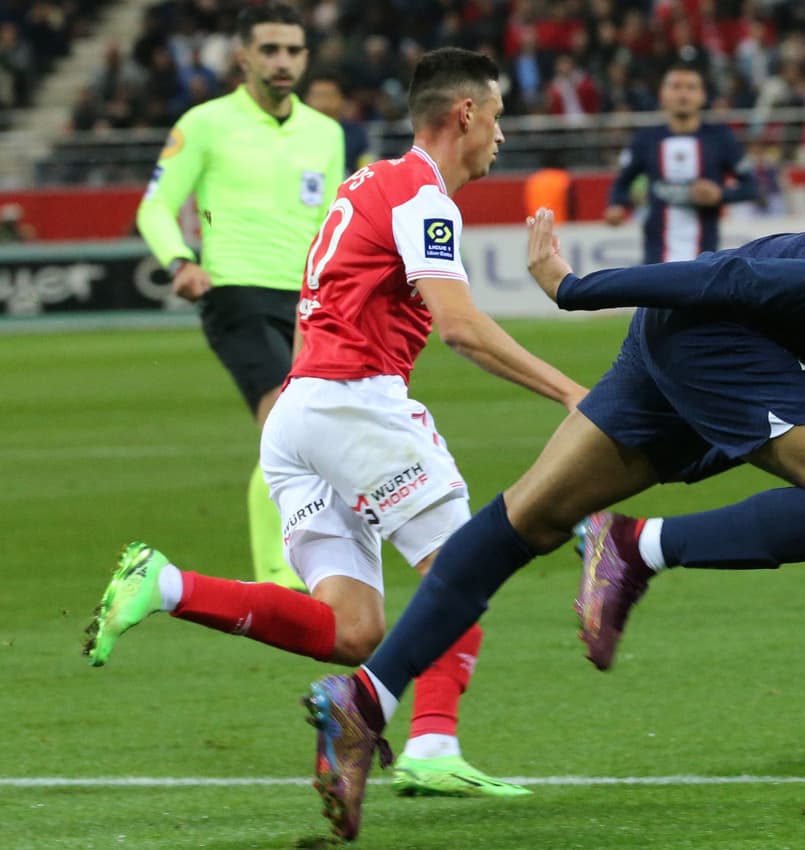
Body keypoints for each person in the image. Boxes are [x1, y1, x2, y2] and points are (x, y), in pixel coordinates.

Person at [299, 211, 805, 839]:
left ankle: (363, 700)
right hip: (713, 329)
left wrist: (699, 452)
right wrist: (580, 289)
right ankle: (636, 546)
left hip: (709, 358)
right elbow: (739, 276)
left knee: (527, 520)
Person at [85, 47, 587, 808]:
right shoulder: (423, 196)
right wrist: (568, 391)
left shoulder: (367, 182)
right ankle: (430, 745)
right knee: (468, 568)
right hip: (355, 404)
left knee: (356, 630)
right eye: (498, 118)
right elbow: (460, 327)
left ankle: (166, 585)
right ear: (466, 115)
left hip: (296, 416)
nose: (502, 136)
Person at [133, 2, 339, 593]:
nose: (282, 62)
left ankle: (308, 557)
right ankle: (277, 574)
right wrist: (179, 260)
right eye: (269, 50)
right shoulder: (203, 124)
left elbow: (329, 222)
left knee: (312, 431)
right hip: (235, 291)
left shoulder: (323, 134)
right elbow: (154, 203)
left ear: (304, 57)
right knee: (284, 424)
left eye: (292, 51)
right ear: (244, 57)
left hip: (307, 299)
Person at [603, 60, 759, 264]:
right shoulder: (646, 139)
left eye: (691, 87)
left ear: (702, 95)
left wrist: (721, 194)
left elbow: (752, 187)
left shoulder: (721, 138)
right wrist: (616, 205)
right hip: (656, 260)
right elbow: (621, 183)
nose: (683, 94)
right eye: (675, 87)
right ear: (662, 94)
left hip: (704, 263)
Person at [304, 70, 374, 175]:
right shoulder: (296, 133)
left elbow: (367, 170)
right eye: (318, 96)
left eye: (329, 96)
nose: (324, 104)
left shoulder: (357, 134)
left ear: (341, 100)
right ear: (306, 100)